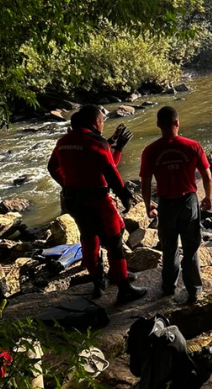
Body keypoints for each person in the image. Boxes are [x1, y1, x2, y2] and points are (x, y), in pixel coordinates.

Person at [48, 104, 148, 303]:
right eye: (102, 120)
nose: (103, 124)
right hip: (97, 200)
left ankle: (98, 282)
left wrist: (67, 185)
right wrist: (125, 195)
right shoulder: (95, 141)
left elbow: (53, 167)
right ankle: (123, 287)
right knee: (114, 242)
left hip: (74, 202)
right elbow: (109, 170)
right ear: (95, 122)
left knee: (88, 237)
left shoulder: (63, 142)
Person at [140, 106, 212, 303]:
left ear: (158, 125)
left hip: (166, 204)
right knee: (190, 248)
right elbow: (206, 176)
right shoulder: (192, 146)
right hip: (189, 201)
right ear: (177, 123)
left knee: (169, 247)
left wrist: (148, 206)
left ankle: (169, 286)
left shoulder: (150, 151)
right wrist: (208, 197)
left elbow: (145, 183)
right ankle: (194, 290)